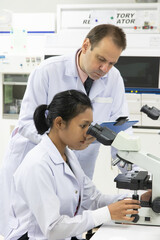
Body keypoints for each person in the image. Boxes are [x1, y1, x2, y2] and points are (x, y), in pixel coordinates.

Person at [0, 24, 132, 237]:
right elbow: (26, 123)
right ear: (86, 45)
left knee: (74, 214)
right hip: (39, 161)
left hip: (70, 157)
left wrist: (131, 177)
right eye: (101, 59)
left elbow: (121, 129)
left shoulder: (113, 78)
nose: (105, 69)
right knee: (33, 224)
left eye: (112, 63)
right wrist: (58, 142)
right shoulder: (47, 71)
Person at [6, 90, 140, 240]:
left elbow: (93, 199)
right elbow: (53, 229)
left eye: (90, 126)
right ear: (59, 123)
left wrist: (135, 200)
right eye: (83, 126)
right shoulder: (38, 165)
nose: (88, 134)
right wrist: (107, 213)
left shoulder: (68, 157)